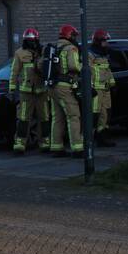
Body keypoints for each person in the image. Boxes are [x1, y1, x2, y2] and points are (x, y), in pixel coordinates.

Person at [9, 28, 50, 154]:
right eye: (28, 40)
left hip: (42, 91)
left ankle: (45, 143)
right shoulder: (19, 53)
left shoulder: (43, 52)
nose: (31, 42)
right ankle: (20, 144)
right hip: (26, 92)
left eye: (33, 40)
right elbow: (14, 72)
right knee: (23, 118)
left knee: (44, 117)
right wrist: (12, 89)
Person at [49, 25, 85, 158]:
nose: (76, 38)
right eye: (74, 36)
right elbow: (74, 66)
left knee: (57, 118)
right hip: (65, 87)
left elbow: (41, 65)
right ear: (70, 36)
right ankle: (77, 148)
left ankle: (56, 147)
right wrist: (85, 67)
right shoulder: (71, 48)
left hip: (52, 87)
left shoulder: (53, 48)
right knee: (73, 116)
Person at [89, 29, 117, 147]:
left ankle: (102, 138)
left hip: (105, 90)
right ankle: (88, 140)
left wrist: (112, 84)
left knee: (105, 114)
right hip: (95, 90)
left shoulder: (104, 54)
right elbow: (85, 72)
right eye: (105, 41)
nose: (107, 44)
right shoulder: (89, 54)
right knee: (94, 115)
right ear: (99, 41)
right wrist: (89, 87)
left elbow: (107, 71)